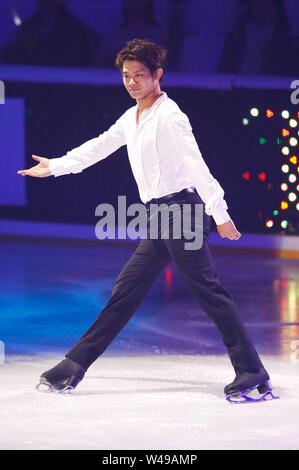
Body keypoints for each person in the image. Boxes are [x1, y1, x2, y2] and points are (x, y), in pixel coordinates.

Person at [18, 39, 276, 403]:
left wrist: (220, 214)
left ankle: (252, 371)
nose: (132, 82)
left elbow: (197, 167)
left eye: (140, 75)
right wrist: (56, 166)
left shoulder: (171, 117)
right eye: (126, 75)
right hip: (159, 217)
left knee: (209, 292)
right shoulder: (132, 117)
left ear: (157, 75)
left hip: (183, 212)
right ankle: (73, 366)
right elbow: (99, 145)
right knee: (125, 292)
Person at [1, 0, 99, 68]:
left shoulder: (76, 31)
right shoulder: (27, 27)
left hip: (64, 88)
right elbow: (11, 58)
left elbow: (77, 61)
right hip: (30, 86)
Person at [218, 0, 297, 76]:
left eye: (269, 2)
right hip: (237, 88)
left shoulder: (288, 43)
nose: (263, 6)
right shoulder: (235, 38)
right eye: (258, 1)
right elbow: (223, 73)